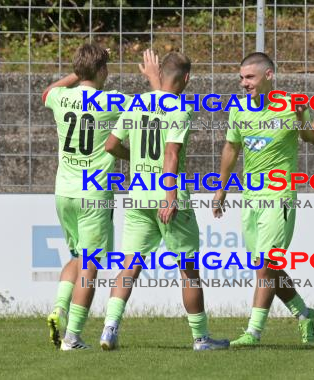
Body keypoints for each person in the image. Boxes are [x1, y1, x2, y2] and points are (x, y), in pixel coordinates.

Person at [101, 51, 229, 351]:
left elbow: (111, 145)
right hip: (168, 198)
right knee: (189, 269)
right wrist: (169, 197)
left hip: (138, 195)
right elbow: (171, 155)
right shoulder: (180, 110)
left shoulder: (136, 104)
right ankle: (201, 338)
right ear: (186, 78)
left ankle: (109, 329)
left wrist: (138, 159)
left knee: (129, 266)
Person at [213, 52, 314, 346]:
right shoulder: (238, 109)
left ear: (269, 76)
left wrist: (301, 118)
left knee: (266, 263)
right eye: (241, 78)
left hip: (279, 196)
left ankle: (253, 332)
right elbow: (231, 148)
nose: (243, 83)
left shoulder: (291, 105)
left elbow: (311, 137)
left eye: (250, 77)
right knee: (268, 268)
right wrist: (221, 188)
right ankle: (304, 313)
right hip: (251, 198)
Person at [43, 43, 135, 350]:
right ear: (102, 70)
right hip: (93, 193)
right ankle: (73, 336)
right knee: (91, 263)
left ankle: (59, 307)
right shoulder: (113, 100)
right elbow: (144, 108)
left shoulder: (60, 97)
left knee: (75, 256)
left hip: (64, 191)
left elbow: (48, 92)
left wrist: (79, 72)